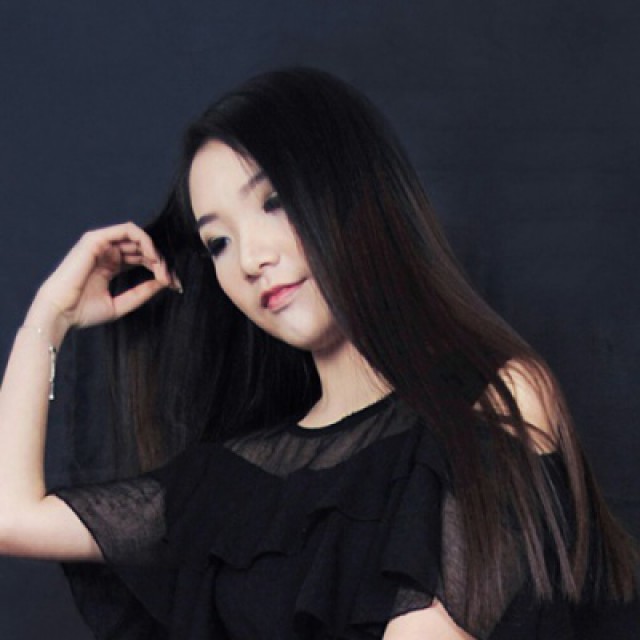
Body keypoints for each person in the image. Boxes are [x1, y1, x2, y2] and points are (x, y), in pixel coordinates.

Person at [0, 68, 637, 640]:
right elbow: (12, 518)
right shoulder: (229, 482)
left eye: (273, 203)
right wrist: (47, 319)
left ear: (351, 192)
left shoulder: (496, 400)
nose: (251, 259)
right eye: (218, 242)